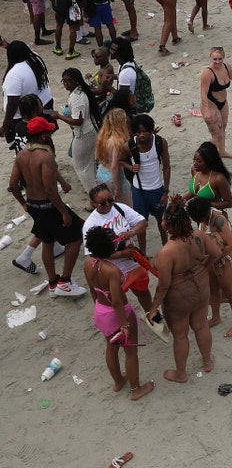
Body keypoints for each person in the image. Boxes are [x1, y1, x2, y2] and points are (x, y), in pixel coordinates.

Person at [148, 195, 223, 384]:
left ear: (167, 225)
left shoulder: (167, 252)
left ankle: (180, 373)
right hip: (200, 287)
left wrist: (154, 307)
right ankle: (207, 361)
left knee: (180, 335)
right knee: (201, 325)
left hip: (179, 296)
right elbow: (217, 253)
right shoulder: (199, 236)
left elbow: (163, 284)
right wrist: (204, 266)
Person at [7, 115, 86, 296]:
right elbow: (51, 191)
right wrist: (64, 212)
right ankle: (65, 281)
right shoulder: (45, 157)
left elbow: (12, 186)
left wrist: (24, 204)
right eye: (48, 131)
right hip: (48, 205)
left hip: (33, 205)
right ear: (43, 136)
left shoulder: (21, 156)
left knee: (47, 242)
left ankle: (52, 283)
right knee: (75, 237)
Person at [81, 182, 164, 336]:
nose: (108, 205)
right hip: (112, 270)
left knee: (143, 292)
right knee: (118, 301)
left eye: (110, 200)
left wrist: (131, 233)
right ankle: (124, 325)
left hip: (131, 264)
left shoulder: (119, 208)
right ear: (93, 204)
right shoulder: (90, 224)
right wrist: (122, 254)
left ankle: (152, 315)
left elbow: (142, 222)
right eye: (103, 203)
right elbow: (94, 255)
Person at [82, 227, 155, 400]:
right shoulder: (111, 271)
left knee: (111, 348)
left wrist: (99, 308)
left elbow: (93, 289)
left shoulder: (88, 263)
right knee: (130, 350)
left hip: (101, 310)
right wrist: (125, 325)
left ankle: (118, 381)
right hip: (118, 313)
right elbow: (117, 301)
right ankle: (136, 389)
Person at [187, 196, 232, 338]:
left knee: (229, 290)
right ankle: (216, 317)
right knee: (212, 288)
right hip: (212, 258)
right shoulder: (203, 220)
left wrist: (213, 256)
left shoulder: (219, 220)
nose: (196, 222)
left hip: (226, 257)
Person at [123, 114, 170, 250]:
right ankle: (143, 255)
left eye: (144, 131)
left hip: (157, 189)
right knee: (141, 225)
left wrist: (165, 192)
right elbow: (120, 160)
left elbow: (166, 167)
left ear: (151, 130)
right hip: (139, 192)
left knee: (163, 224)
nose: (141, 135)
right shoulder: (129, 146)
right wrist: (130, 167)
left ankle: (166, 251)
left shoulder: (160, 143)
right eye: (138, 132)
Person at [49, 67, 99, 192]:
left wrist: (59, 116)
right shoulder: (79, 92)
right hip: (90, 131)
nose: (66, 84)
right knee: (89, 164)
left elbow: (78, 121)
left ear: (76, 81)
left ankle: (93, 194)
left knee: (81, 167)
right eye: (64, 81)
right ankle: (96, 190)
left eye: (69, 81)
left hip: (83, 134)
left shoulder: (77, 98)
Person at [199, 47, 232, 159]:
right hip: (211, 102)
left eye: (220, 59)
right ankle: (204, 156)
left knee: (223, 128)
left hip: (223, 102)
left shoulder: (226, 66)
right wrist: (206, 111)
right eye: (214, 59)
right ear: (210, 58)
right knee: (217, 134)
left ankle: (222, 151)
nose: (217, 62)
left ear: (223, 57)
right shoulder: (208, 73)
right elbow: (203, 92)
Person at [96, 107, 133, 206]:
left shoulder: (103, 136)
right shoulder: (118, 141)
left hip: (102, 173)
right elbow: (114, 166)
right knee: (127, 207)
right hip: (114, 178)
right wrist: (118, 188)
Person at [187, 141, 232, 210]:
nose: (195, 163)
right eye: (194, 160)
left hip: (212, 217)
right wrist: (183, 199)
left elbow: (229, 203)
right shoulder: (194, 171)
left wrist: (207, 204)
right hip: (197, 216)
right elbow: (194, 192)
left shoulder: (218, 179)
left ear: (208, 162)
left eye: (199, 161)